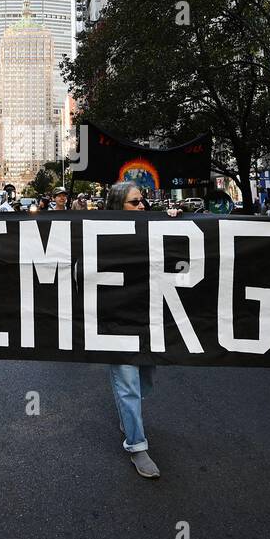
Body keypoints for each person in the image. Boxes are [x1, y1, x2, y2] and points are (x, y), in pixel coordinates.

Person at [101, 181, 161, 479]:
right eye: (134, 203)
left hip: (148, 318)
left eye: (142, 202)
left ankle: (129, 416)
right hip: (116, 320)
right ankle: (137, 445)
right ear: (117, 206)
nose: (142, 207)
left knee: (145, 379)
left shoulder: (154, 227)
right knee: (128, 383)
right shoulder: (96, 235)